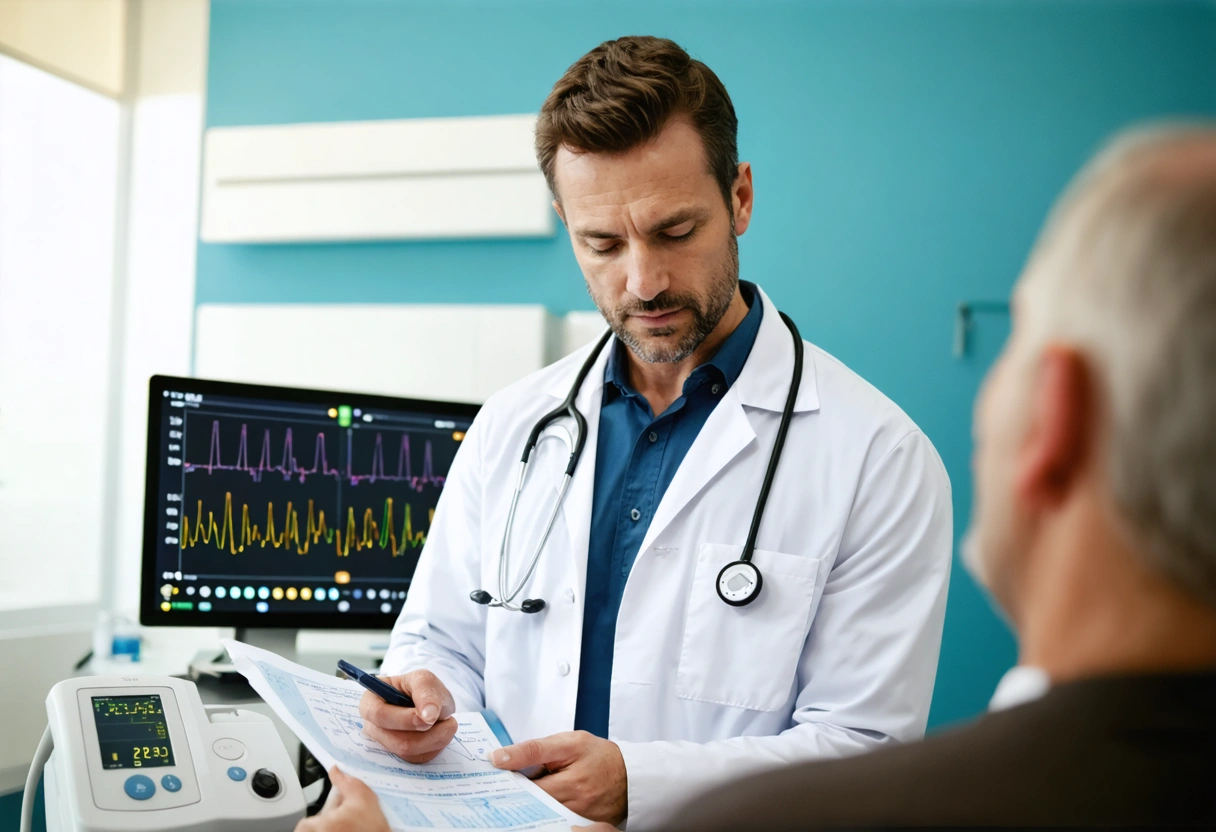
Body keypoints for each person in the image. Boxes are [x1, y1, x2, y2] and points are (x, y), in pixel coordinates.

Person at [301, 35, 952, 830]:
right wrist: (418, 690)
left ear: (739, 197)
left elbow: (866, 749)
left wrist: (639, 783)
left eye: (675, 232)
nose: (643, 282)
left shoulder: (877, 456)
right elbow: (437, 637)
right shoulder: (514, 423)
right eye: (603, 244)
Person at [647, 125, 1216, 827]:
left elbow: (858, 733)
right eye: (602, 243)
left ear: (1054, 416)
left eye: (1018, 338)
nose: (644, 280)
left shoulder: (757, 822)